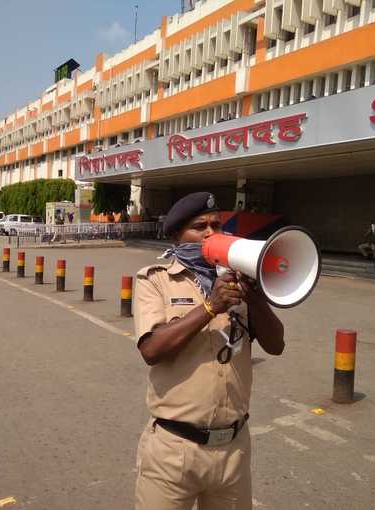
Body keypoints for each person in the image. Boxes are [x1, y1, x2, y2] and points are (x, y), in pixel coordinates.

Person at [133, 192, 285, 510]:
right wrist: (208, 307)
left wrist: (255, 296)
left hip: (232, 451)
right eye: (199, 226)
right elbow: (152, 349)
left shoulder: (237, 283)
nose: (210, 233)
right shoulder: (155, 280)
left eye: (217, 225)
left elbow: (275, 344)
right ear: (177, 236)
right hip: (173, 451)